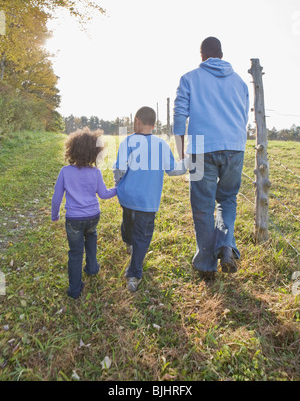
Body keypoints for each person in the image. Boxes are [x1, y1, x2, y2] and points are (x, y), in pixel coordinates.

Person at [173, 36, 249, 280]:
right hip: (235, 148)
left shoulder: (189, 79)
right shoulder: (240, 83)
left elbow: (179, 117)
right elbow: (243, 118)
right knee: (227, 199)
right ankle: (226, 245)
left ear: (202, 55)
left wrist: (182, 153)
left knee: (202, 206)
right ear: (222, 54)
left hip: (200, 149)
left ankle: (206, 263)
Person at [113, 106, 187, 292]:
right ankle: (133, 275)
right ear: (154, 125)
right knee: (143, 236)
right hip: (148, 201)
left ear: (137, 120)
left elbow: (119, 170)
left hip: (128, 196)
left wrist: (119, 185)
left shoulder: (128, 141)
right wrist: (188, 161)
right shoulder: (162, 144)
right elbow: (173, 170)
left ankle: (128, 242)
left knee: (128, 220)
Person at [51, 127, 117, 299]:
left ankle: (74, 290)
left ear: (71, 149)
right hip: (93, 216)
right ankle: (92, 268)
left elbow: (57, 197)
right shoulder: (95, 172)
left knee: (75, 252)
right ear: (95, 153)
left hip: (74, 219)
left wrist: (55, 214)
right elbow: (103, 194)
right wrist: (118, 189)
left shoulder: (65, 172)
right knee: (91, 237)